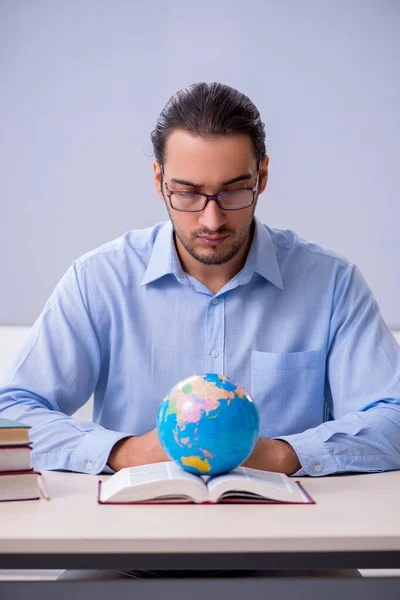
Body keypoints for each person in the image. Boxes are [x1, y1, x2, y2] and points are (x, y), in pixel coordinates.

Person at [0, 82, 399, 581]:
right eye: (187, 193)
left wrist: (285, 454)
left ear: (264, 176)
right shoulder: (98, 279)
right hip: (126, 557)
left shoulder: (331, 282)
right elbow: (12, 410)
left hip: (298, 553)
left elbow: (394, 415)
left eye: (233, 190)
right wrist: (122, 452)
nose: (212, 219)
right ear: (158, 180)